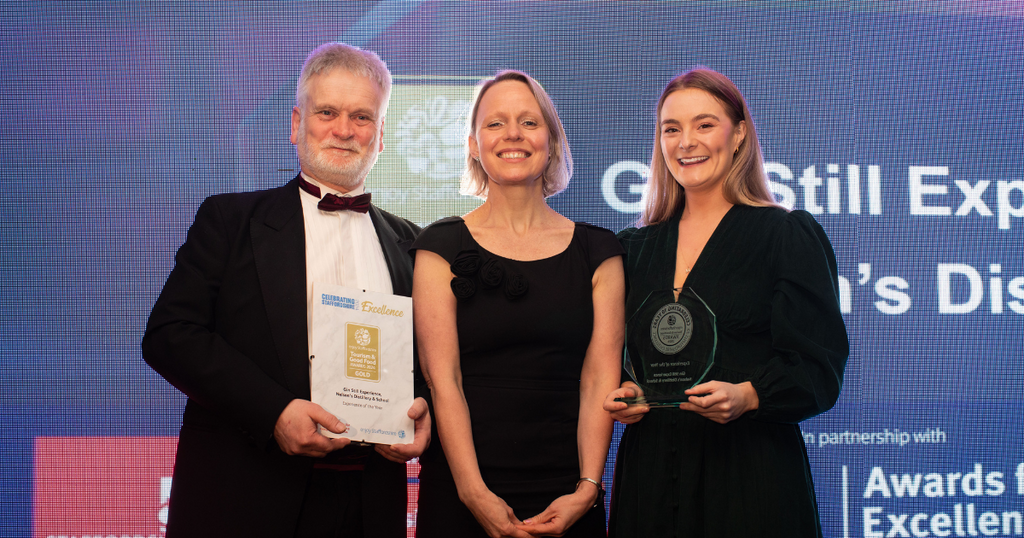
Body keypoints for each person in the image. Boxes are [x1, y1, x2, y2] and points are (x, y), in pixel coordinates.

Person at [142, 42, 430, 537]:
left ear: (381, 136)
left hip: (371, 502)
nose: (344, 130)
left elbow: (426, 363)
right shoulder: (230, 221)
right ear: (296, 123)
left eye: (362, 117)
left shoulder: (416, 244)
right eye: (327, 112)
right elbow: (170, 335)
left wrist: (422, 411)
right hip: (244, 498)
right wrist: (274, 411)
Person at [603, 67, 849, 537]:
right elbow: (618, 361)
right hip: (651, 480)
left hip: (749, 477)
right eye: (671, 129)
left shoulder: (784, 235)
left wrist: (750, 395)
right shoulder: (633, 248)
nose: (685, 142)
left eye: (704, 124)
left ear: (738, 135)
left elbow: (819, 368)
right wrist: (627, 393)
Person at [411, 70, 625, 538]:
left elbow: (598, 382)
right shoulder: (438, 246)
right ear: (473, 144)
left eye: (529, 122)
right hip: (463, 493)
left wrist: (587, 490)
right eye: (495, 123)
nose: (512, 134)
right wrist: (472, 493)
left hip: (567, 496)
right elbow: (442, 380)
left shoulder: (600, 252)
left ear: (551, 140)